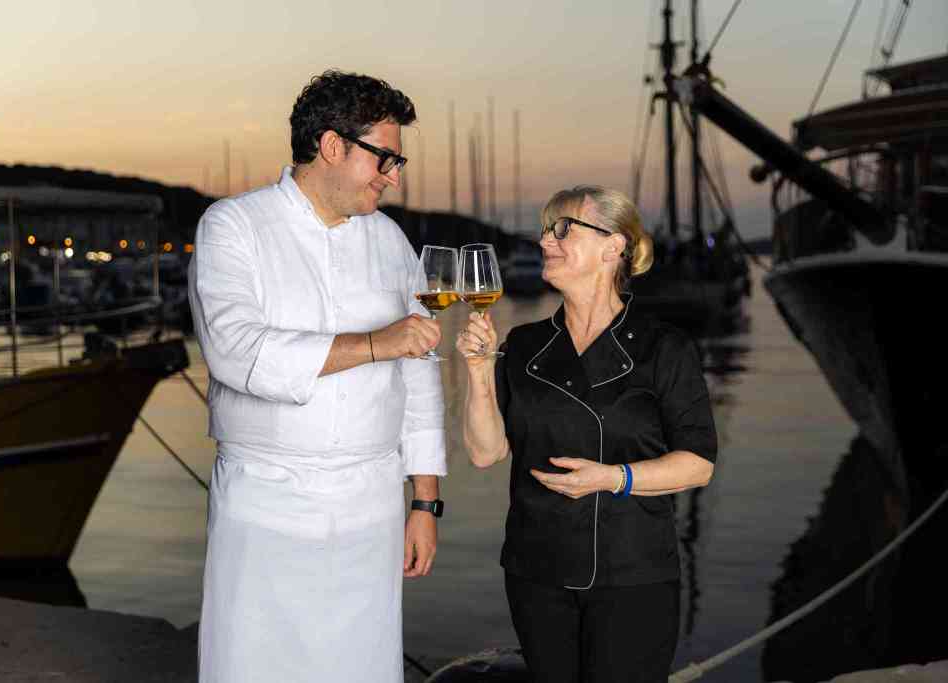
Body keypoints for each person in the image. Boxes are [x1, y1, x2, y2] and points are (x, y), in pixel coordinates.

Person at [189, 70, 448, 683]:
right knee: (253, 666)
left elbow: (419, 380)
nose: (393, 176)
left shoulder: (391, 240)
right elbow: (235, 352)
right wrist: (374, 344)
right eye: (385, 158)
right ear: (332, 145)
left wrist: (425, 501)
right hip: (265, 502)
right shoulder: (233, 226)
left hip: (372, 507)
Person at [456, 186, 717, 683]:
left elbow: (698, 464)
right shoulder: (525, 344)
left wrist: (612, 478)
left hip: (633, 576)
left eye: (562, 229)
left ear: (613, 246)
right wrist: (478, 370)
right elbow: (485, 452)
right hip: (537, 572)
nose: (544, 241)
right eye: (545, 230)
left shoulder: (665, 348)